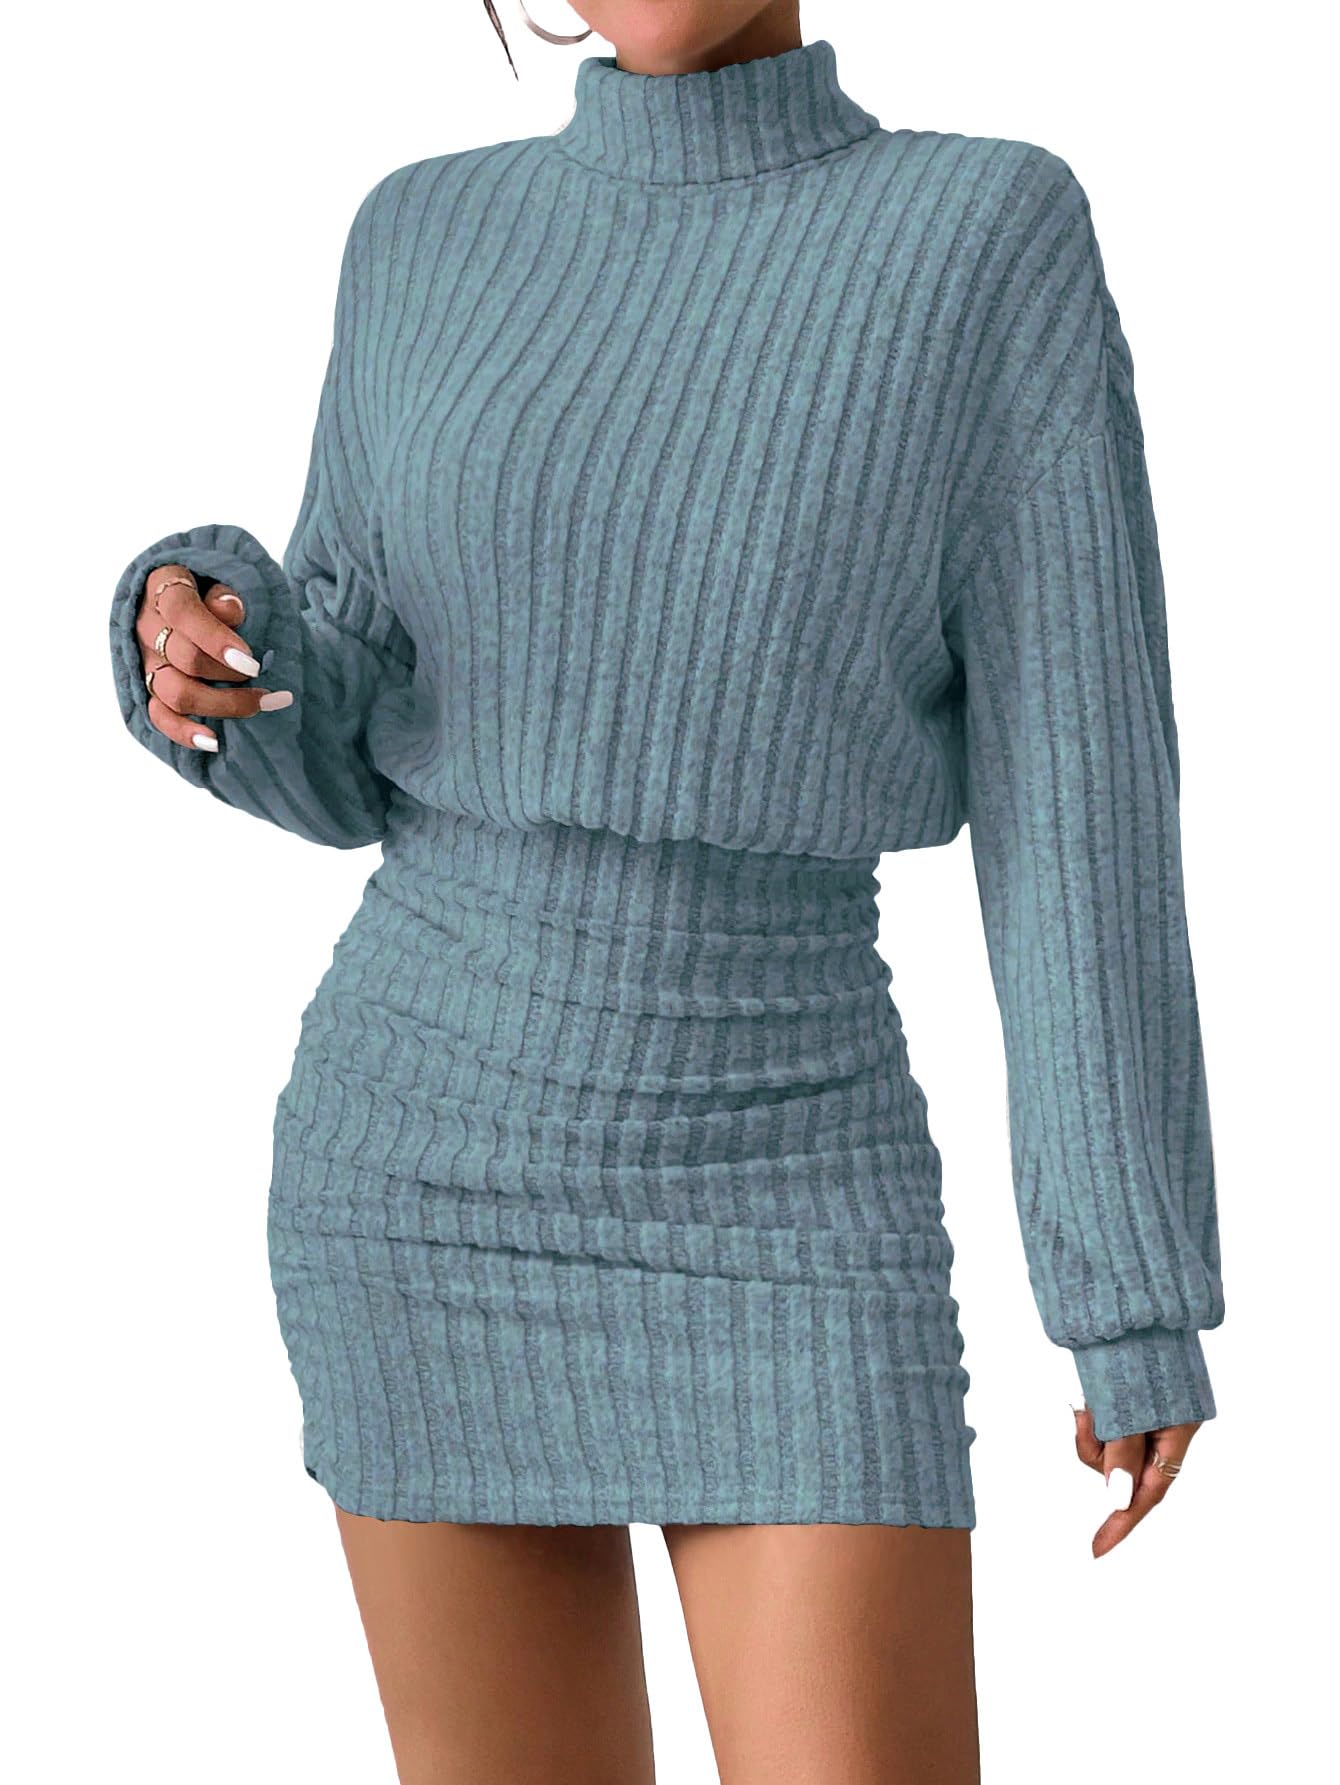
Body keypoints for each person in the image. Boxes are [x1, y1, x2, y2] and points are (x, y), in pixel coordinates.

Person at [107, 3, 1224, 1779]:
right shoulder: (420, 234)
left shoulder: (984, 234)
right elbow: (348, 752)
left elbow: (1080, 791)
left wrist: (1127, 1280)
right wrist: (204, 643)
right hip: (419, 1178)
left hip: (793, 1178)